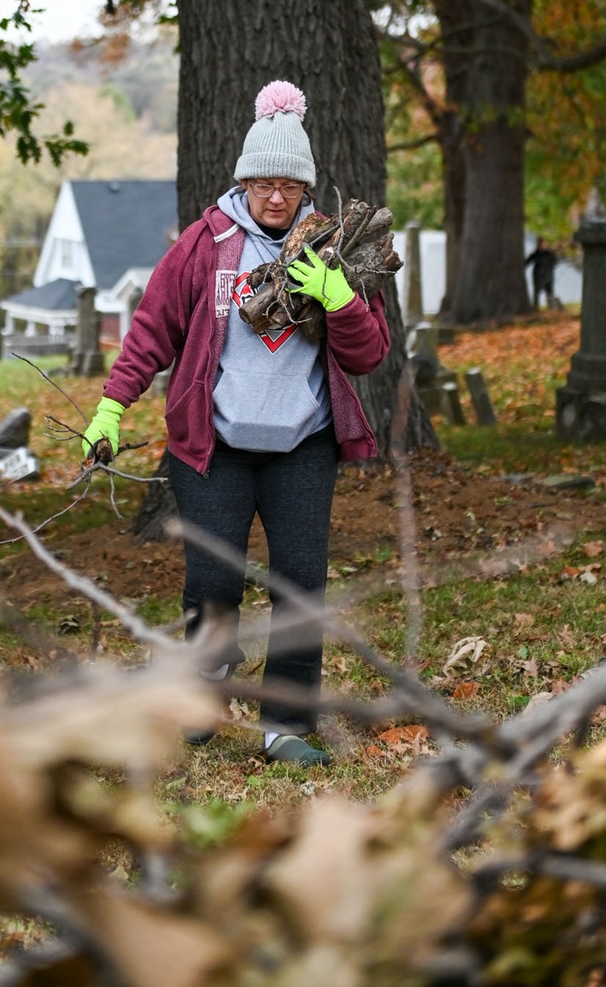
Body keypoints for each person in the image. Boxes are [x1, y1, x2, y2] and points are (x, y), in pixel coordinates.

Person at [82, 81, 390, 767]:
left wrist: (339, 300)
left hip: (302, 445)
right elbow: (151, 330)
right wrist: (111, 405)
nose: (274, 196)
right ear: (243, 180)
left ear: (305, 188)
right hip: (215, 444)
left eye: (288, 183)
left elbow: (369, 356)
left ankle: (285, 724)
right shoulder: (205, 243)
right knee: (213, 580)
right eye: (262, 182)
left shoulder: (332, 249)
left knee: (300, 584)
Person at [525, 238, 558, 310]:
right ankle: (535, 309)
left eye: (544, 244)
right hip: (538, 276)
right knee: (536, 294)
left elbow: (555, 262)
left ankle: (552, 309)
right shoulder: (535, 254)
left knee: (550, 293)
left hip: (548, 276)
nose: (542, 246)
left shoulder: (550, 254)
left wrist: (550, 267)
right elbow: (526, 263)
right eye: (540, 244)